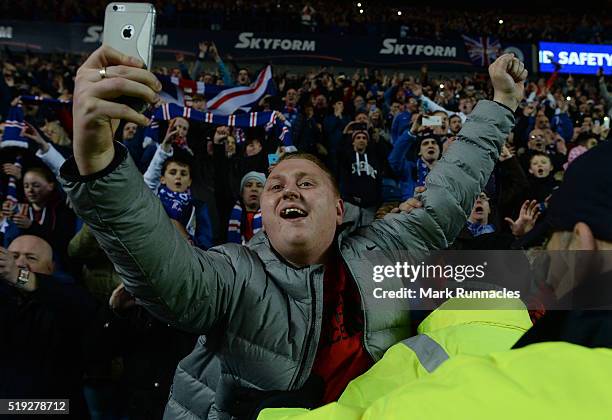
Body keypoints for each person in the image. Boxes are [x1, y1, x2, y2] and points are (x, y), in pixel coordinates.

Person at [60, 46, 526, 419]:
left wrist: (501, 103)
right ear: (264, 211)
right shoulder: (235, 271)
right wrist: (101, 165)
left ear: (340, 209)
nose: (289, 192)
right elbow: (167, 275)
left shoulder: (385, 245)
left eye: (307, 183)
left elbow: (450, 188)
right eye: (276, 187)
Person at [0, 235, 97, 418]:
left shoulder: (69, 297)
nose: (19, 263)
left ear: (50, 268)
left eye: (31, 257)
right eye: (13, 256)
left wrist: (18, 277)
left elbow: (82, 307)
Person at [227, 171, 265, 244]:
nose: (254, 189)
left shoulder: (272, 217)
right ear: (242, 193)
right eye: (249, 185)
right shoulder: (229, 216)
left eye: (259, 185)